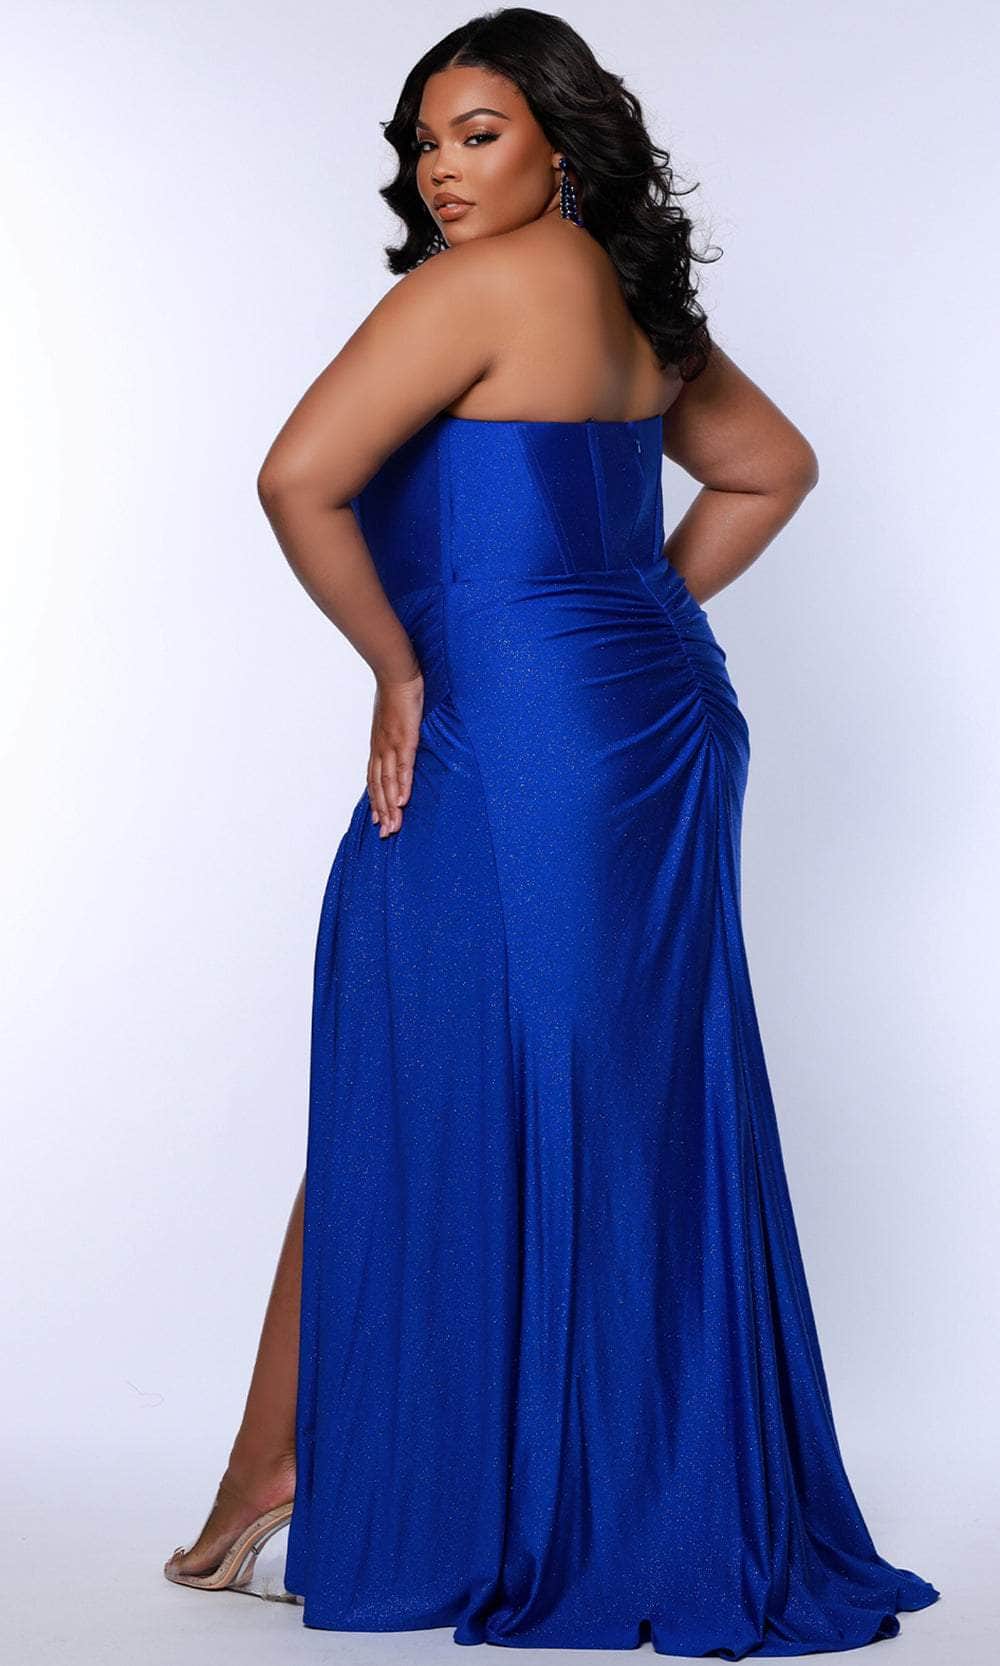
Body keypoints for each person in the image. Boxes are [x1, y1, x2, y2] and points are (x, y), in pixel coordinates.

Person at [164, 8, 940, 1654]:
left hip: (507, 744)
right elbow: (768, 469)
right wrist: (631, 607)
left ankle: (284, 1479)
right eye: (423, 142)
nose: (440, 171)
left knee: (418, 1076)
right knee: (605, 1097)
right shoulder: (640, 303)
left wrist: (399, 668)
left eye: (478, 133)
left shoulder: (471, 292)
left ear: (562, 141)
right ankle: (509, 1479)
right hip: (654, 724)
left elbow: (298, 477)